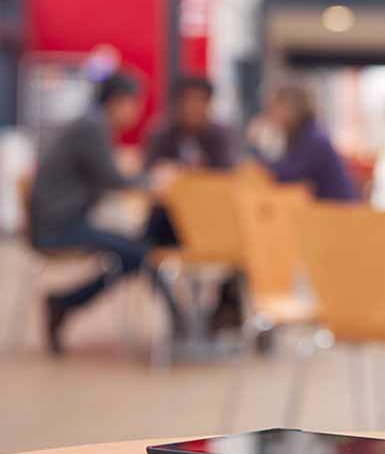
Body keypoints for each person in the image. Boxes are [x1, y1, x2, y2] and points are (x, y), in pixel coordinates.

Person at [30, 72, 181, 355]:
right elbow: (114, 180)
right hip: (60, 226)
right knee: (141, 253)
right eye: (134, 104)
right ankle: (180, 323)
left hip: (67, 220)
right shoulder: (92, 127)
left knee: (136, 252)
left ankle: (64, 303)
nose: (137, 112)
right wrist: (153, 182)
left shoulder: (92, 125)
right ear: (116, 102)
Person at [143, 75, 237, 246]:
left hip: (208, 213)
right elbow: (150, 173)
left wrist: (185, 175)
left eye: (199, 101)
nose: (191, 107)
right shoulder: (162, 134)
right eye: (186, 100)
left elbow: (226, 176)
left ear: (209, 104)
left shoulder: (220, 135)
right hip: (169, 214)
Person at [254, 84, 357, 202]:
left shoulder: (315, 140)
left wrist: (259, 144)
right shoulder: (304, 136)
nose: (271, 115)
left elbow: (287, 174)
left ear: (290, 110)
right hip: (327, 209)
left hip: (340, 212)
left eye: (275, 109)